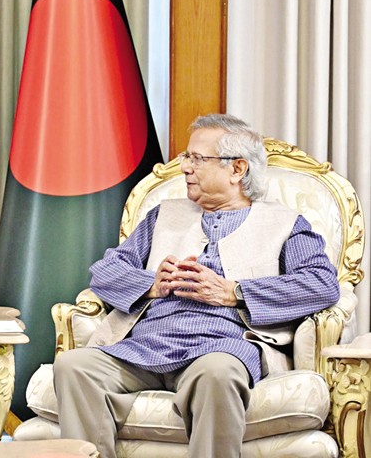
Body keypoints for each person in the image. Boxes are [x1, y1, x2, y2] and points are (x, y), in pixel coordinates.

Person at [53, 114, 340, 458]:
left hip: (222, 348)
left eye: (197, 159)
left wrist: (235, 292)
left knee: (216, 373)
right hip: (146, 347)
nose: (185, 168)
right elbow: (105, 271)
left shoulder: (284, 223)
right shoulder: (162, 215)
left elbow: (321, 283)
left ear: (237, 169)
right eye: (186, 157)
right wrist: (151, 285)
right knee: (74, 366)